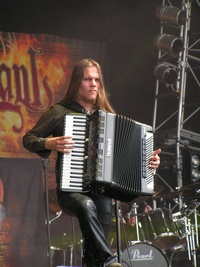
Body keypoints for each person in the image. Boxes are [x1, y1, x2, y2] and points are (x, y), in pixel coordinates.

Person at [23, 58, 161, 267]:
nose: (94, 84)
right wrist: (49, 142)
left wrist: (148, 162)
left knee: (93, 249)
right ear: (77, 83)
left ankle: (100, 261)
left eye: (97, 80)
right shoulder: (59, 112)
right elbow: (29, 139)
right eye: (88, 79)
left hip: (103, 193)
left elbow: (125, 156)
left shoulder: (108, 116)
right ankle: (108, 261)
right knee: (87, 206)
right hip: (71, 192)